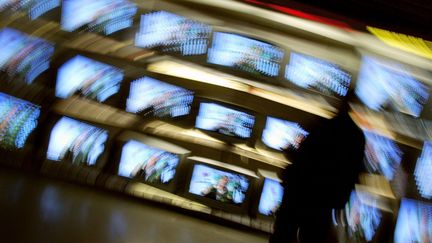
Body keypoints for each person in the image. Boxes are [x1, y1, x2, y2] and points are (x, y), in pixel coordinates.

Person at [270, 91, 366, 243]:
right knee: (312, 236)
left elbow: (302, 157)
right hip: (324, 199)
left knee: (284, 233)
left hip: (300, 190)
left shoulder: (322, 127)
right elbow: (353, 173)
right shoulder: (357, 137)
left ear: (342, 104)